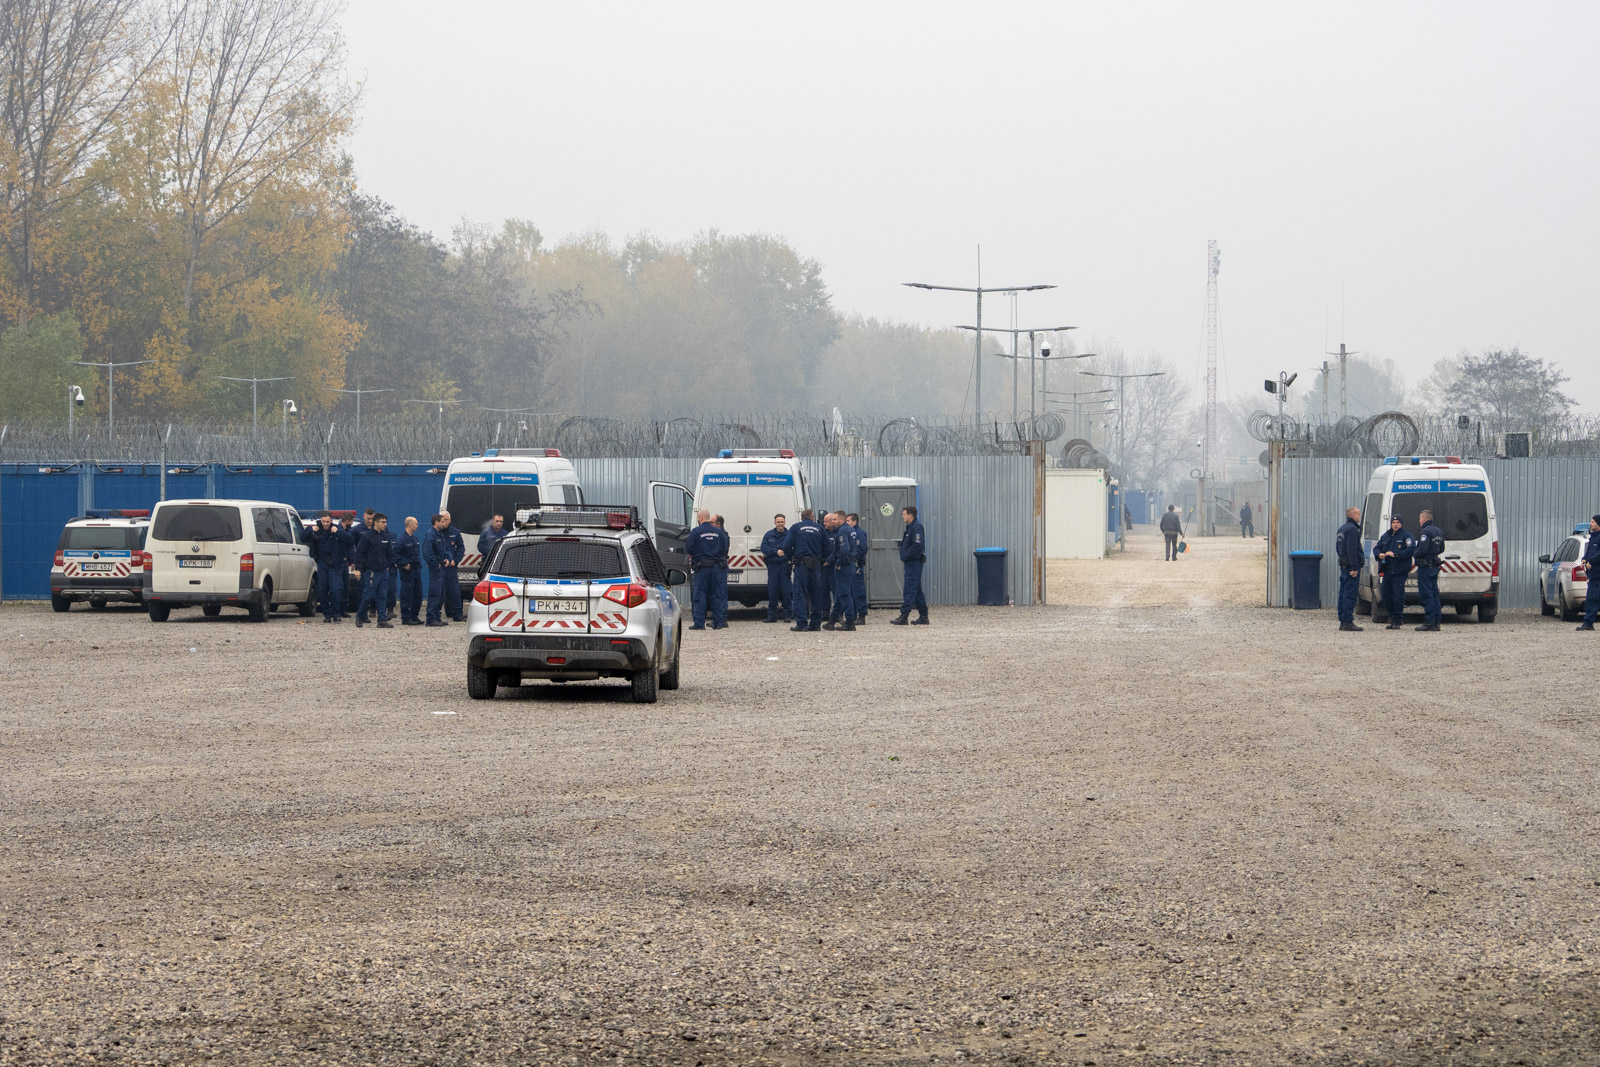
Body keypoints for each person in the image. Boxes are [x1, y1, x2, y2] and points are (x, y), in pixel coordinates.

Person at [784, 508, 826, 632]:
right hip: (815, 564)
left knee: (800, 594)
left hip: (801, 564)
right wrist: (821, 559)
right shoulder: (820, 528)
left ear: (802, 517)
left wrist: (791, 557)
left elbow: (786, 545)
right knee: (816, 594)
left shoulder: (796, 528)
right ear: (812, 517)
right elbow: (828, 547)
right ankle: (815, 624)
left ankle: (801, 624)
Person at [352, 513, 396, 629]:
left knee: (382, 595)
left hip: (383, 571)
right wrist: (358, 569)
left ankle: (381, 619)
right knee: (369, 595)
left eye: (385, 522)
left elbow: (390, 553)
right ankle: (360, 615)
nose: (385, 524)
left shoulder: (385, 536)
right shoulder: (367, 537)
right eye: (383, 522)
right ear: (376, 522)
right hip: (371, 571)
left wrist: (388, 565)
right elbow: (360, 553)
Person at [687, 509, 728, 630]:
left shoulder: (696, 532)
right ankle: (718, 623)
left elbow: (689, 548)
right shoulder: (719, 532)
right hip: (716, 568)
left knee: (700, 594)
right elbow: (724, 549)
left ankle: (699, 623)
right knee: (716, 595)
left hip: (702, 567)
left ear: (700, 518)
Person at [422, 511, 463, 626]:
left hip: (445, 568)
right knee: (434, 593)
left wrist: (448, 559)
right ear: (436, 522)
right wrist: (436, 564)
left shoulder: (439, 534)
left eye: (445, 520)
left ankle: (437, 617)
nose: (444, 523)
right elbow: (427, 552)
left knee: (441, 593)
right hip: (436, 569)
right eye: (442, 521)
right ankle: (430, 619)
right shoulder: (431, 534)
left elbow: (445, 550)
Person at [1374, 514, 1415, 629]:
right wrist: (1379, 554)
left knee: (1398, 595)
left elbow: (1410, 549)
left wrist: (1396, 555)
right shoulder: (1386, 536)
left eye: (1397, 523)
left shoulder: (1406, 536)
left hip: (1399, 570)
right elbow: (1377, 548)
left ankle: (1397, 618)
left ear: (1401, 524)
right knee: (1386, 594)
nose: (1395, 525)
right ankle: (1392, 615)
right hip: (1387, 570)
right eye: (1393, 523)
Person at [891, 505, 929, 625]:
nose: (902, 517)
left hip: (914, 562)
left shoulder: (916, 527)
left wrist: (905, 555)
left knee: (910, 588)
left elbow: (917, 546)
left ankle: (904, 615)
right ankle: (923, 616)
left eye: (904, 514)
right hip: (910, 562)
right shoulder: (910, 527)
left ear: (910, 515)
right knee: (917, 590)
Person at [307, 512, 347, 623]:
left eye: (327, 522)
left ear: (331, 521)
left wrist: (338, 532)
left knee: (336, 590)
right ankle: (327, 615)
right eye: (323, 521)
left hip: (334, 564)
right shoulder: (317, 529)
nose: (325, 524)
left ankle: (336, 613)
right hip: (322, 563)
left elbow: (349, 540)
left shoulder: (337, 530)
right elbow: (303, 537)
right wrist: (311, 530)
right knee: (322, 590)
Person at [1413, 509, 1445, 632]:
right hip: (1434, 566)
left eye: (1420, 519)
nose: (1420, 522)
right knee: (1434, 594)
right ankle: (1437, 622)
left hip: (1425, 566)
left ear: (1424, 519)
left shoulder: (1425, 531)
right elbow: (1442, 548)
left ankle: (1429, 622)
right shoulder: (1439, 531)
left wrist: (1415, 554)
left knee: (1426, 595)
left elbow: (1422, 548)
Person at [825, 511, 857, 631]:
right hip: (850, 564)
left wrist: (838, 563)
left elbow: (844, 550)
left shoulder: (842, 531)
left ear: (841, 520)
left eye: (834, 519)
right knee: (839, 595)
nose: (832, 522)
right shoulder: (850, 529)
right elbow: (837, 550)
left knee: (844, 594)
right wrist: (828, 560)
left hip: (844, 566)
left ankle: (850, 622)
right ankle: (832, 621)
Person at [1334, 505, 1365, 632]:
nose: (1360, 516)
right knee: (1350, 594)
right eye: (1358, 514)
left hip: (1344, 566)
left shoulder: (1342, 529)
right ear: (1352, 515)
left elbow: (1338, 548)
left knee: (1343, 593)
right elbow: (1352, 550)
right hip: (1350, 568)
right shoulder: (1352, 529)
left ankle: (1342, 619)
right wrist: (1355, 567)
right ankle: (1347, 621)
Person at [759, 514, 793, 623]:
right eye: (778, 522)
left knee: (786, 592)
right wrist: (775, 551)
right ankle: (771, 616)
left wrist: (786, 553)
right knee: (772, 591)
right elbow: (764, 548)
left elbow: (794, 547)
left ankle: (787, 616)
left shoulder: (789, 535)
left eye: (782, 522)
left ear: (785, 522)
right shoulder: (769, 535)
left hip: (785, 566)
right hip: (773, 566)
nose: (780, 524)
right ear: (774, 523)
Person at [396, 516, 423, 626]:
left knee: (418, 594)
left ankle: (414, 615)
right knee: (407, 594)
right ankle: (406, 617)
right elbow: (395, 554)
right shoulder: (401, 539)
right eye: (416, 524)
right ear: (410, 525)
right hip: (407, 570)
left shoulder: (415, 539)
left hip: (416, 569)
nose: (417, 526)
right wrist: (404, 563)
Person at [846, 512, 868, 624]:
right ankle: (853, 614)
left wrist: (853, 558)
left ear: (854, 522)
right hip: (850, 566)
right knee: (850, 590)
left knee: (858, 590)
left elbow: (863, 549)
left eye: (848, 521)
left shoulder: (859, 533)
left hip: (857, 565)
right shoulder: (849, 532)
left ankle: (861, 615)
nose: (847, 523)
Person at [1578, 516, 1600, 631]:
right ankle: (1588, 623)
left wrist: (1592, 561)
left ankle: (1588, 623)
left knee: (1592, 599)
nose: (1590, 524)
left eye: (1593, 522)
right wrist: (1584, 559)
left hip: (1598, 575)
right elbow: (1590, 552)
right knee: (1592, 599)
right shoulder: (1593, 538)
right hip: (1594, 575)